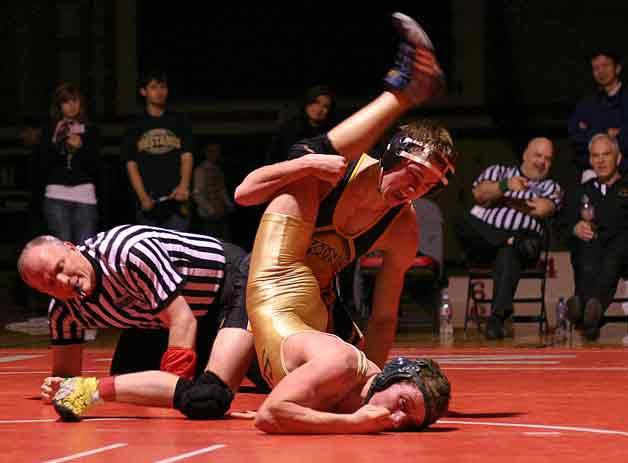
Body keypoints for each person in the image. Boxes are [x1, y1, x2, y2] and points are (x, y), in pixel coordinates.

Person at [238, 12, 452, 433]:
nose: (415, 190)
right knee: (210, 390)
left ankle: (405, 92)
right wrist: (306, 164)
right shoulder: (339, 172)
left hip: (318, 307)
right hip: (266, 284)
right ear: (393, 157)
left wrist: (369, 387)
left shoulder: (402, 224)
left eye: (427, 187)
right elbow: (244, 194)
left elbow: (385, 317)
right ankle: (402, 94)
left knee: (341, 375)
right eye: (412, 175)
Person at [17, 225, 257, 420]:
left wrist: (173, 392)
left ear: (71, 248)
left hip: (229, 286)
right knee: (128, 375)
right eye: (50, 284)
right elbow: (67, 380)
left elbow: (182, 320)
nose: (63, 281)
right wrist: (57, 387)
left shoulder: (129, 252)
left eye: (60, 267)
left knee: (206, 398)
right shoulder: (63, 311)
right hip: (171, 320)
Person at [455, 137, 562, 339]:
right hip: (482, 243)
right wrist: (505, 185)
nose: (542, 162)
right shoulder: (499, 172)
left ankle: (496, 319)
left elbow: (541, 209)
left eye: (548, 158)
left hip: (523, 247)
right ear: (525, 155)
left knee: (510, 251)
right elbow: (479, 194)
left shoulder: (551, 187)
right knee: (461, 219)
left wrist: (502, 197)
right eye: (538, 155)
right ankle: (505, 238)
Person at [561, 133, 628, 340]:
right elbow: (562, 224)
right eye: (595, 155)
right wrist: (575, 228)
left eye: (606, 154)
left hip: (623, 252)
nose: (600, 160)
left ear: (618, 158)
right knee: (586, 249)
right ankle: (587, 311)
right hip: (591, 252)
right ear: (590, 160)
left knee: (616, 249)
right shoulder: (581, 192)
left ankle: (585, 308)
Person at [122, 70, 194, 232]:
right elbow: (131, 163)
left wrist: (184, 186)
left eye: (162, 87)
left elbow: (187, 155)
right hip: (148, 202)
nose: (159, 92)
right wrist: (142, 197)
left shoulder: (179, 120)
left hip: (176, 201)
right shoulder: (135, 124)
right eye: (153, 87)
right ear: (143, 92)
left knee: (179, 250)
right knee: (149, 253)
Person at [33, 82, 101, 244]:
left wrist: (81, 148)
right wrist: (56, 143)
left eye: (75, 100)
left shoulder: (90, 129)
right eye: (66, 101)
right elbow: (42, 165)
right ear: (59, 105)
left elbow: (96, 167)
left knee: (84, 251)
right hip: (56, 195)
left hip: (85, 196)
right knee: (62, 251)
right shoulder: (49, 129)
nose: (71, 105)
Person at [568, 50, 628, 180]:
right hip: (593, 172)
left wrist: (591, 131)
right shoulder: (586, 103)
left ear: (617, 68)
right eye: (596, 68)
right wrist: (606, 133)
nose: (601, 71)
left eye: (605, 65)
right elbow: (575, 136)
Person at [266, 85, 336, 165]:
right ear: (307, 103)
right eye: (315, 103)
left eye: (325, 106)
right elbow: (274, 158)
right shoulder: (288, 128)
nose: (319, 109)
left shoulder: (330, 133)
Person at [192, 142, 234, 239]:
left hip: (221, 213)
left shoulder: (218, 169)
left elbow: (221, 189)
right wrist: (211, 210)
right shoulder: (200, 170)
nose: (214, 154)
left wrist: (228, 204)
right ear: (205, 152)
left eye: (216, 151)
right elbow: (197, 194)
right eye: (211, 151)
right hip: (208, 216)